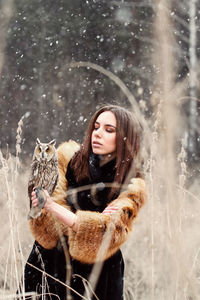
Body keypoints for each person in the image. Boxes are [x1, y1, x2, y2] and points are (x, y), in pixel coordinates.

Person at [18, 105, 147, 300]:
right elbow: (44, 223)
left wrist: (54, 207)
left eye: (109, 130)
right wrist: (86, 223)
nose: (98, 133)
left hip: (98, 275)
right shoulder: (66, 161)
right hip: (49, 263)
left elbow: (103, 236)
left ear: (125, 138)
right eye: (96, 127)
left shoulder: (132, 186)